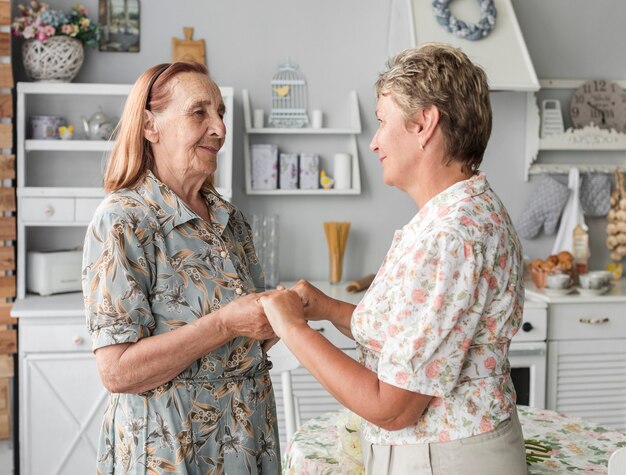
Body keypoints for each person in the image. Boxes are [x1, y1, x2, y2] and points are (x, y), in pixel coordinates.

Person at [259, 43, 527, 475]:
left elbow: (393, 408)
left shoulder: (448, 238)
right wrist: (326, 309)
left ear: (423, 123)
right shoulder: (461, 212)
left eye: (382, 122)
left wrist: (291, 328)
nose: (374, 141)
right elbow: (410, 337)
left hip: (447, 459)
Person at [82, 62, 281, 474]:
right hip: (170, 448)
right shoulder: (124, 220)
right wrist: (225, 323)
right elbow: (117, 371)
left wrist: (277, 316)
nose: (220, 129)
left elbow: (247, 340)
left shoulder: (230, 218)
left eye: (221, 113)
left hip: (247, 437)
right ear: (150, 126)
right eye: (199, 113)